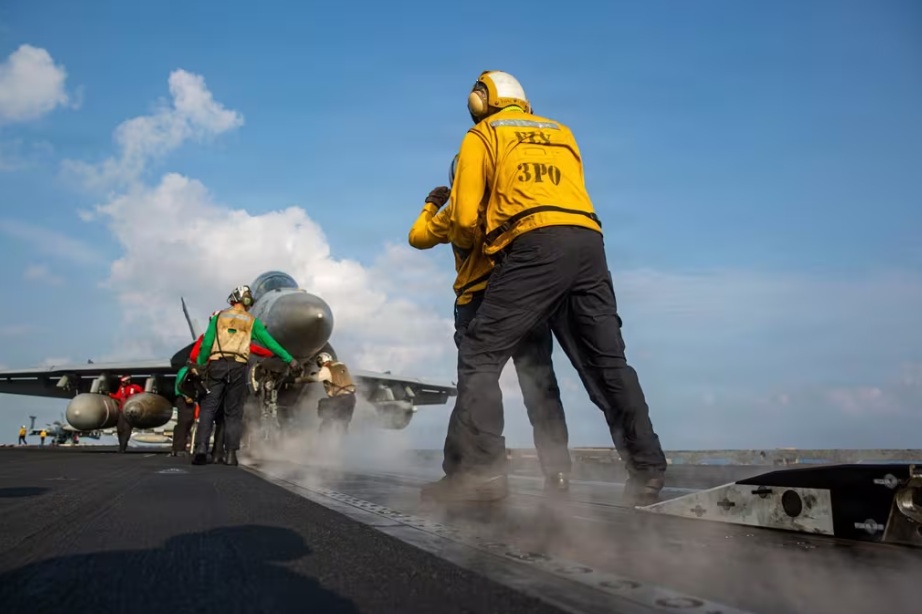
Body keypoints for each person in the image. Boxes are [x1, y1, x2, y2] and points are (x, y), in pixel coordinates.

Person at [420, 70, 667, 505]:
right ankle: (646, 469)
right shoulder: (562, 132)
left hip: (533, 245)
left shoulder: (482, 135)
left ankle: (482, 476)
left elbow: (460, 221)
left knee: (480, 355)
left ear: (481, 101)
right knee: (604, 363)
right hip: (589, 242)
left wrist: (473, 240)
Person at [408, 154, 572, 492]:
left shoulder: (456, 211)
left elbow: (418, 236)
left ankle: (480, 472)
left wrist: (431, 204)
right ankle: (558, 473)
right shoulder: (512, 201)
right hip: (529, 300)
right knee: (541, 386)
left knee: (477, 386)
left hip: (478, 302)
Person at [192, 285, 300, 466]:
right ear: (248, 302)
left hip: (217, 365)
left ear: (233, 299)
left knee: (209, 408)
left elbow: (207, 343)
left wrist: (201, 365)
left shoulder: (218, 318)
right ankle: (230, 455)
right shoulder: (252, 321)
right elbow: (270, 343)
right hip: (238, 367)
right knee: (233, 413)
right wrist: (290, 359)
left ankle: (201, 448)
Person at [174, 310, 274, 460]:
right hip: (229, 379)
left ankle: (201, 448)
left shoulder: (205, 338)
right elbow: (256, 350)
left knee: (207, 413)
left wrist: (202, 364)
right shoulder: (236, 340)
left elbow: (195, 356)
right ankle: (219, 453)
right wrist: (274, 355)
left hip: (209, 380)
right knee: (227, 417)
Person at [304, 352, 357, 435]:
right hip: (351, 399)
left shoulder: (326, 368)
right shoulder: (341, 366)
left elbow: (315, 378)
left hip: (340, 399)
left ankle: (323, 440)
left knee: (327, 419)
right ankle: (344, 443)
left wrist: (294, 380)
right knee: (343, 424)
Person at [110, 376, 143, 453]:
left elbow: (143, 395)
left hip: (130, 411)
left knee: (126, 429)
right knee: (120, 429)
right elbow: (118, 397)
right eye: (122, 382)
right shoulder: (121, 388)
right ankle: (121, 445)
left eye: (124, 382)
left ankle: (123, 447)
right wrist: (110, 394)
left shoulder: (135, 387)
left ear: (128, 381)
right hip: (122, 411)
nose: (123, 384)